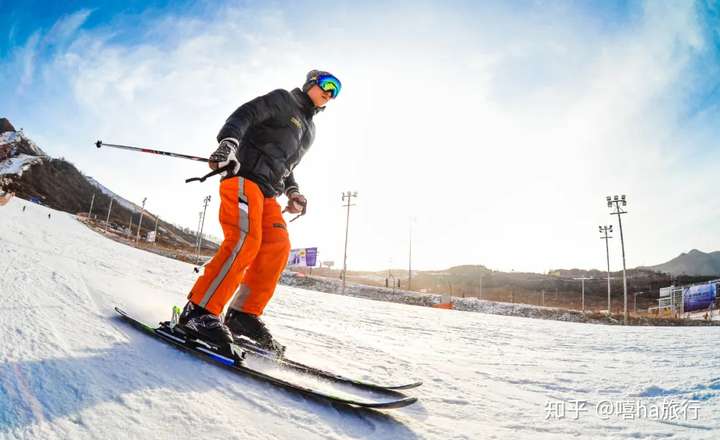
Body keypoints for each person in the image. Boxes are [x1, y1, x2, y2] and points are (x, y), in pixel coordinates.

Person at [179, 70, 341, 352]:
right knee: (245, 240)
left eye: (336, 91)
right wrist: (228, 143)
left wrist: (293, 192)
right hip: (244, 177)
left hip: (268, 192)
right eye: (327, 84)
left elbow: (287, 165)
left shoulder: (308, 129)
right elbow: (245, 115)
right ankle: (198, 312)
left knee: (277, 247)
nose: (331, 92)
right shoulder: (283, 100)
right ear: (310, 83)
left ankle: (242, 316)